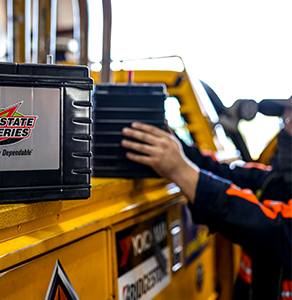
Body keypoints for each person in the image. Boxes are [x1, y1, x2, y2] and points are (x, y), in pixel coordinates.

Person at [121, 97, 292, 300]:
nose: (283, 129)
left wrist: (183, 172)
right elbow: (223, 172)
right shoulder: (276, 180)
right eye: (283, 121)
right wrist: (172, 144)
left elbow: (273, 227)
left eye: (290, 121)